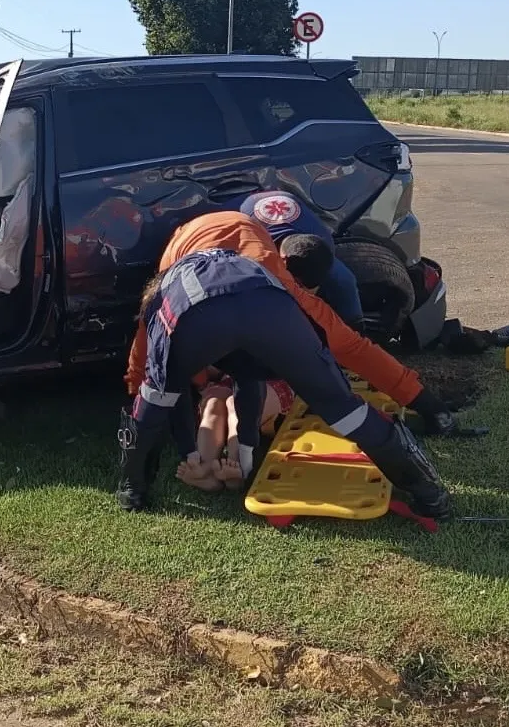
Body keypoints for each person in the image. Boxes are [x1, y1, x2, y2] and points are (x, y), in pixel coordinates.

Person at [118, 248, 451, 521]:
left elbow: (163, 391)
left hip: (200, 313)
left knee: (156, 400)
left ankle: (132, 489)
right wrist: (246, 457)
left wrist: (186, 449)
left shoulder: (163, 297)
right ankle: (429, 492)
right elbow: (249, 381)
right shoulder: (253, 264)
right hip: (273, 307)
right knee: (343, 409)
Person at [124, 210, 457, 437]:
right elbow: (151, 329)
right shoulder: (177, 288)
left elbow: (355, 346)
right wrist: (142, 390)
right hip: (194, 243)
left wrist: (426, 403)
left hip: (238, 246)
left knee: (216, 392)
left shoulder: (298, 288)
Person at [235, 191, 364, 330]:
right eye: (302, 285)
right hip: (243, 203)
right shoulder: (255, 250)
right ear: (284, 262)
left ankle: (356, 328)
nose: (309, 294)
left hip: (284, 197)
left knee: (344, 280)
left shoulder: (324, 241)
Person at [178, 370, 294, 492]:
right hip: (228, 379)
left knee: (237, 403)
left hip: (271, 378)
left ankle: (236, 465)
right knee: (213, 403)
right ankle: (206, 471)